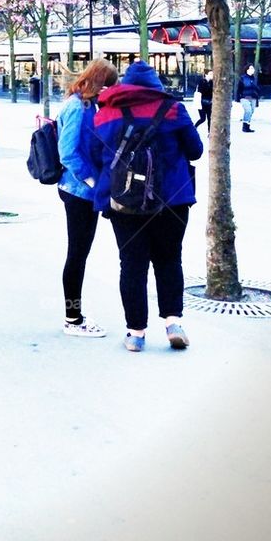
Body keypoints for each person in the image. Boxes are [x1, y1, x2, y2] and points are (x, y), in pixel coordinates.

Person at [93, 60, 203, 353]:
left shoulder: (105, 114)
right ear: (155, 84)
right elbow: (196, 151)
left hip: (124, 201)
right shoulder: (173, 109)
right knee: (169, 260)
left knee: (132, 265)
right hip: (173, 200)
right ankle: (172, 323)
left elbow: (96, 156)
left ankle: (135, 333)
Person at [55, 59, 119, 338]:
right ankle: (72, 318)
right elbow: (67, 151)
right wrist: (91, 180)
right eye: (108, 85)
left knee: (79, 254)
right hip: (78, 190)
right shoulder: (78, 107)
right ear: (98, 83)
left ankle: (74, 314)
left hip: (82, 190)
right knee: (77, 255)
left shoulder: (86, 104)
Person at [236, 64, 260, 132]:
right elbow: (239, 88)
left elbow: (256, 88)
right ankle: (245, 126)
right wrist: (238, 98)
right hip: (245, 97)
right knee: (248, 111)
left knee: (251, 111)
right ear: (247, 70)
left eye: (253, 68)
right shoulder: (243, 78)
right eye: (251, 68)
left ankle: (247, 126)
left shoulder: (254, 78)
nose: (253, 70)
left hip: (253, 97)